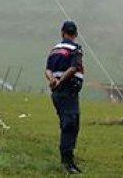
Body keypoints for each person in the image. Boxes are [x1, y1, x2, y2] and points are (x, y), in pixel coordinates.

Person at [45, 20, 85, 174]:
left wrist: (52, 80)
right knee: (71, 125)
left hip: (56, 93)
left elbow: (48, 69)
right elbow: (74, 67)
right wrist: (61, 81)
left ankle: (69, 161)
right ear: (75, 34)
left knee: (67, 123)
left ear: (62, 33)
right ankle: (67, 162)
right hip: (68, 91)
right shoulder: (76, 49)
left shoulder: (55, 49)